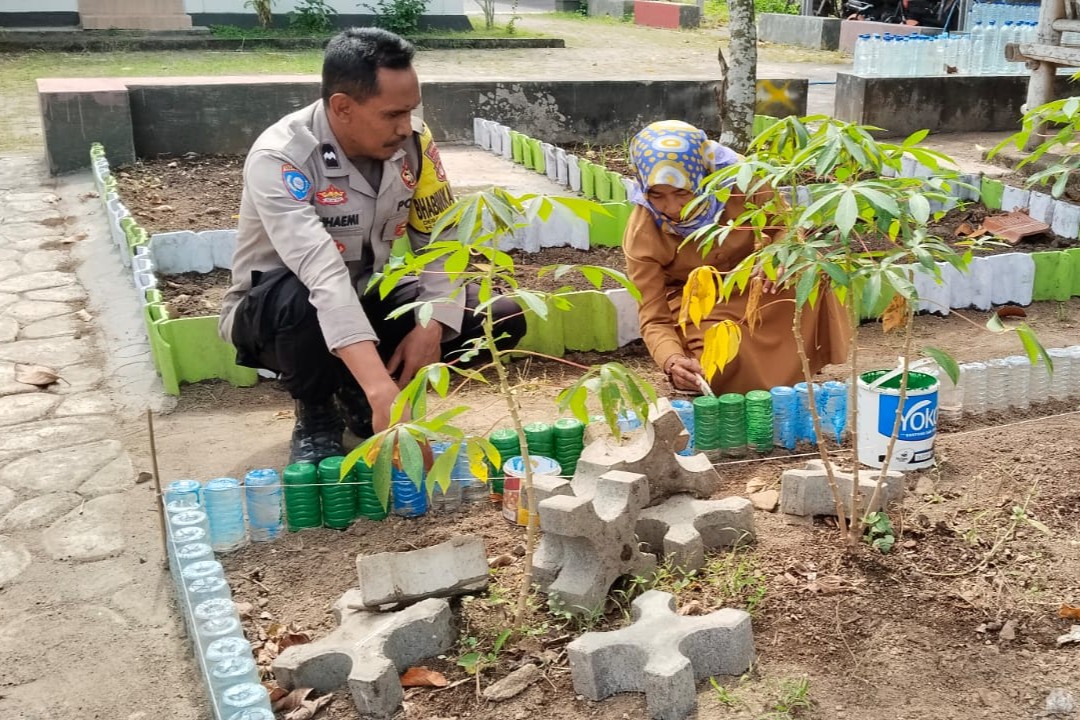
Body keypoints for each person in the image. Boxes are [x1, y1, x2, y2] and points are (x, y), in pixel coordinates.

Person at [219, 28, 526, 464]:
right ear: (342, 107)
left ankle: (355, 387)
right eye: (392, 115)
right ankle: (318, 409)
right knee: (304, 300)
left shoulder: (415, 145)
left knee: (499, 316)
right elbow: (322, 275)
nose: (406, 127)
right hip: (277, 312)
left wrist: (431, 325)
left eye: (411, 112)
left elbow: (441, 241)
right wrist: (380, 387)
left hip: (362, 293)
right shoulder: (282, 157)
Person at [622, 120, 849, 396]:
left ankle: (802, 367)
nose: (671, 208)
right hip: (699, 305)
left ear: (703, 176)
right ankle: (724, 373)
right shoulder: (643, 231)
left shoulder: (742, 182)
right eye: (657, 196)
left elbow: (786, 227)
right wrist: (671, 361)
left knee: (814, 275)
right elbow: (652, 315)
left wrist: (775, 256)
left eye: (682, 193)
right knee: (717, 361)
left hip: (758, 283)